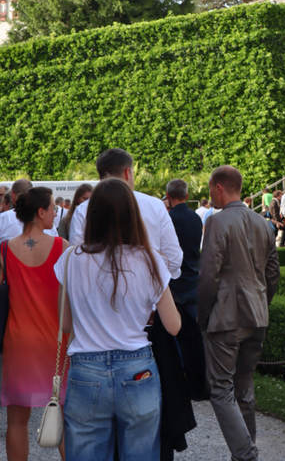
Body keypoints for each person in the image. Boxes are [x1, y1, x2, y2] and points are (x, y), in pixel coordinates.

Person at [54, 177, 181, 461]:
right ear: (131, 213)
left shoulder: (71, 258)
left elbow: (64, 325)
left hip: (86, 369)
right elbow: (173, 326)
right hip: (138, 367)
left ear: (92, 213)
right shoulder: (150, 259)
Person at [197, 165, 280, 461]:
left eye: (209, 190)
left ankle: (245, 454)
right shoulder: (263, 223)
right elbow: (273, 275)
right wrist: (261, 303)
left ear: (219, 188)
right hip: (257, 317)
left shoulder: (217, 223)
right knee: (243, 386)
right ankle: (244, 452)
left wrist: (203, 317)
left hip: (225, 319)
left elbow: (208, 276)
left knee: (220, 389)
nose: (210, 195)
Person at [0, 187, 69, 461]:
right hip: (55, 341)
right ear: (41, 213)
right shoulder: (62, 247)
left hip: (18, 342)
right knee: (63, 412)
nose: (55, 212)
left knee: (16, 420)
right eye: (53, 208)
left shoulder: (5, 249)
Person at [69, 148, 183, 279]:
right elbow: (173, 259)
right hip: (148, 294)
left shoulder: (83, 210)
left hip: (98, 293)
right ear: (127, 173)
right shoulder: (155, 205)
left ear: (100, 178)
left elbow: (77, 258)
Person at [166, 179, 202, 320]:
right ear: (187, 196)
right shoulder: (196, 218)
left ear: (168, 195)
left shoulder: (169, 219)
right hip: (193, 280)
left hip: (175, 284)